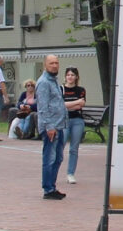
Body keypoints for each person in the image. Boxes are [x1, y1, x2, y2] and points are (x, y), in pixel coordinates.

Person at [35, 55, 68, 199]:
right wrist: (49, 126)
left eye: (56, 63)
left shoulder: (54, 81)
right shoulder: (43, 82)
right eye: (51, 63)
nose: (55, 65)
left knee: (58, 158)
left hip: (59, 125)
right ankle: (48, 189)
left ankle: (52, 186)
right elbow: (42, 107)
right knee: (49, 158)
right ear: (45, 65)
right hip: (51, 126)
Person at [61, 66, 88, 185]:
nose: (70, 77)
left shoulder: (81, 89)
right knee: (60, 146)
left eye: (72, 75)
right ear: (65, 76)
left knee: (74, 148)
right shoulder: (61, 89)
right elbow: (61, 105)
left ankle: (70, 173)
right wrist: (76, 102)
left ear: (76, 77)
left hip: (77, 120)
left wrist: (70, 104)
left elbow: (81, 105)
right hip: (64, 120)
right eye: (68, 75)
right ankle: (54, 171)